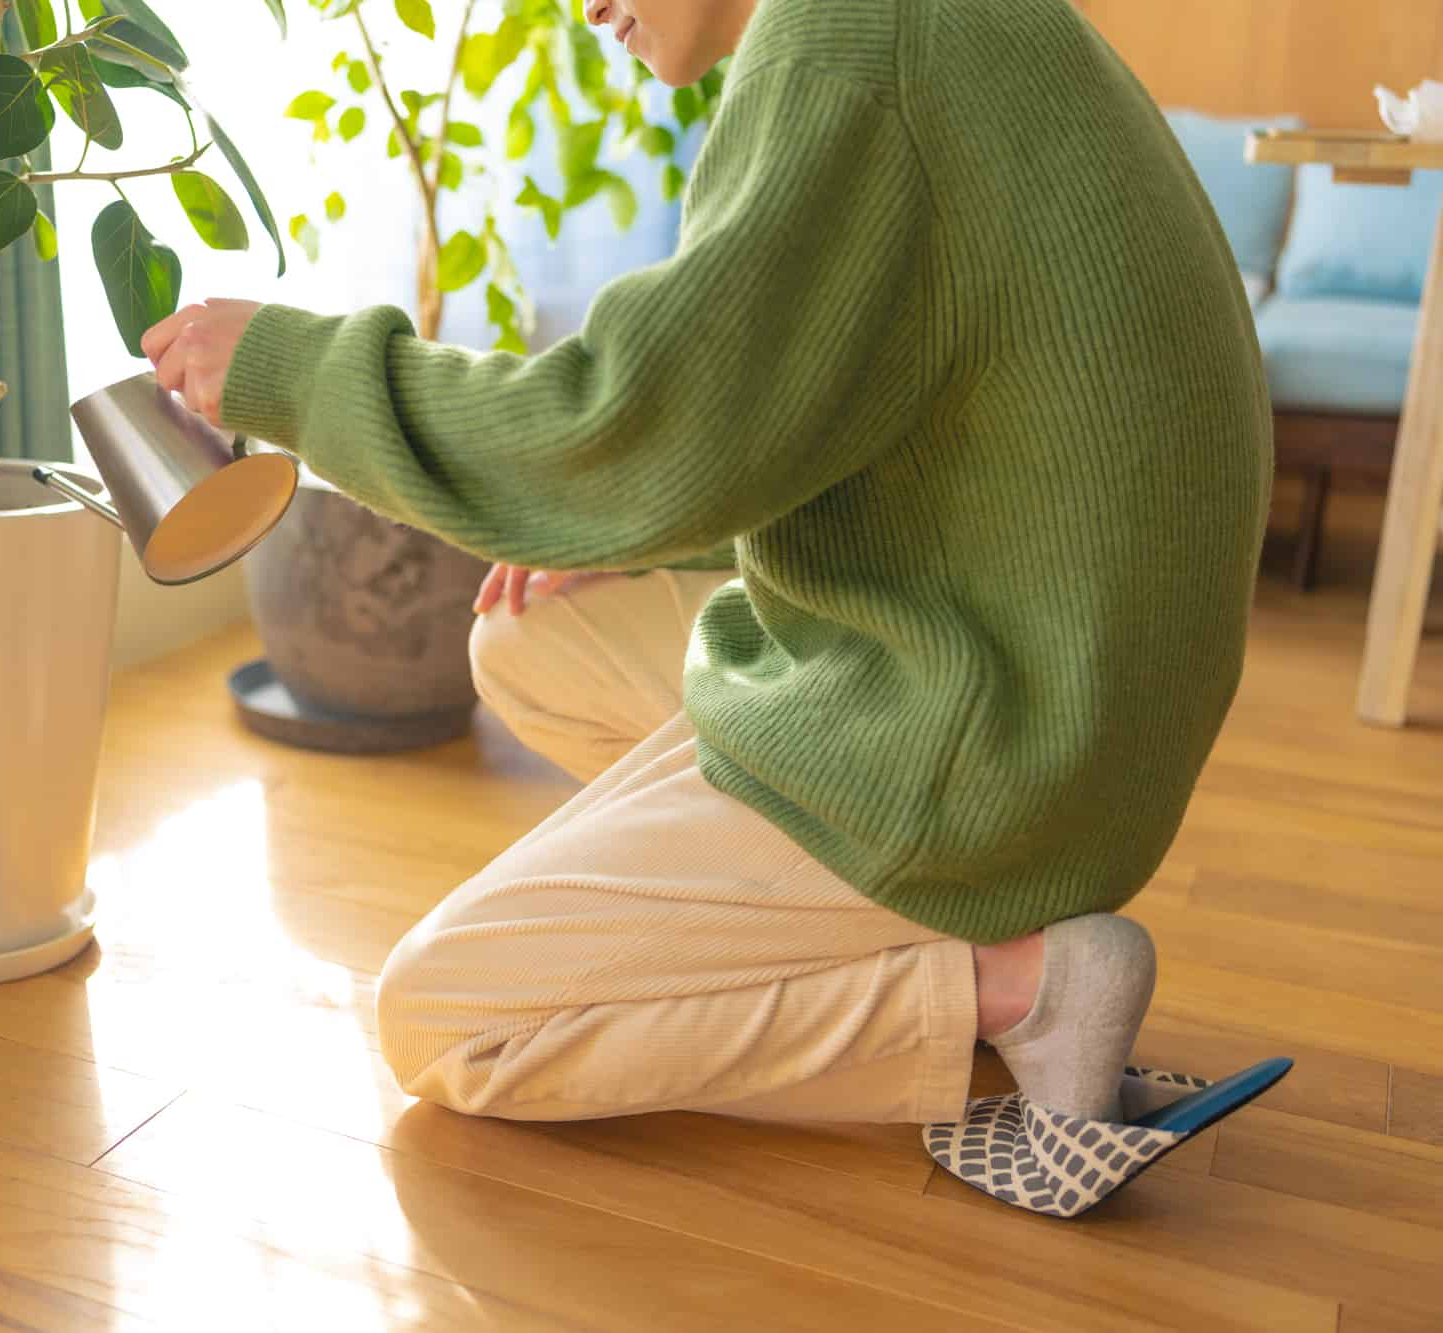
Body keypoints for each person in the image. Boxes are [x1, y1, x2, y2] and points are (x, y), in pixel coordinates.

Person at [142, 0, 1271, 1132]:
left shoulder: (844, 48)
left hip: (992, 748)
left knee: (448, 1022)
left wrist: (285, 371)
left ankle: (1005, 988)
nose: (585, 10)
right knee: (528, 642)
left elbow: (622, 428)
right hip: (1045, 682)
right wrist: (650, 528)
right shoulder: (908, 25)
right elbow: (900, 408)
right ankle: (915, 923)